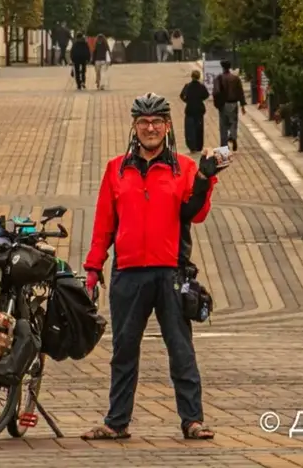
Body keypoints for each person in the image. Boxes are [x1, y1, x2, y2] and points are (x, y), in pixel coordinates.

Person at [81, 92, 225, 442]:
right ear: (134, 125)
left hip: (171, 271)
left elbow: (197, 214)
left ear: (167, 126)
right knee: (124, 350)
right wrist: (93, 267)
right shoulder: (116, 169)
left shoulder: (185, 168)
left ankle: (193, 420)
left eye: (156, 122)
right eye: (144, 122)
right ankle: (117, 422)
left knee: (180, 348)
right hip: (128, 271)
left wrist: (206, 181)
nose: (150, 128)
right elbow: (104, 224)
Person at [212, 60, 245, 152]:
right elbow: (240, 92)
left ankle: (224, 146)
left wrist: (217, 104)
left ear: (222, 67)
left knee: (223, 125)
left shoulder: (219, 78)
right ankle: (233, 136)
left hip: (223, 104)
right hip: (234, 104)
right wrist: (242, 105)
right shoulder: (235, 78)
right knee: (233, 122)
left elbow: (216, 92)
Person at [180, 70, 209, 153]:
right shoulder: (201, 86)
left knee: (190, 129)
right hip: (199, 109)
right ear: (199, 77)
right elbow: (206, 95)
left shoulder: (188, 86)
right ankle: (199, 146)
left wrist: (186, 100)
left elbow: (182, 95)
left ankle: (192, 146)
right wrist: (200, 99)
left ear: (191, 76)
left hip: (190, 109)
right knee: (199, 128)